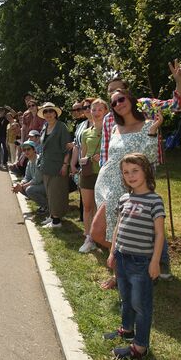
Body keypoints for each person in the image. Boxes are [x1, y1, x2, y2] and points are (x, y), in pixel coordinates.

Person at [92, 89, 163, 289]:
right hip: (105, 184)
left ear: (131, 100)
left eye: (121, 99)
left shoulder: (147, 125)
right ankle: (121, 272)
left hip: (125, 187)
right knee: (111, 233)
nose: (118, 104)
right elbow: (111, 156)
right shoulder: (115, 128)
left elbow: (149, 159)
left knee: (99, 232)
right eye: (113, 103)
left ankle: (133, 262)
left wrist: (152, 132)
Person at [104, 153, 165, 360]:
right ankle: (127, 329)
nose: (130, 176)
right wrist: (113, 252)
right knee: (125, 298)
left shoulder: (154, 200)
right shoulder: (124, 198)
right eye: (126, 172)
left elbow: (159, 233)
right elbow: (118, 227)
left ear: (146, 171)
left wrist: (155, 261)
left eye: (135, 170)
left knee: (141, 304)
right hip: (121, 257)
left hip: (141, 262)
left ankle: (140, 347)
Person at [77, 99, 107, 253]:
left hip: (104, 173)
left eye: (99, 110)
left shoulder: (111, 130)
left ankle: (100, 236)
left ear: (106, 111)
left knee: (101, 206)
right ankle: (88, 238)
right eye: (93, 110)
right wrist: (82, 161)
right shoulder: (85, 132)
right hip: (88, 173)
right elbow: (82, 154)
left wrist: (102, 157)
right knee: (88, 206)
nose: (95, 113)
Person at [38, 102, 71, 228]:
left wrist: (65, 165)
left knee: (57, 192)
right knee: (49, 192)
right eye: (45, 112)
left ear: (55, 113)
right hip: (46, 165)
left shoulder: (61, 127)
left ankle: (56, 221)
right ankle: (52, 215)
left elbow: (67, 148)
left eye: (51, 111)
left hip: (58, 165)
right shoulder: (45, 126)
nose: (48, 114)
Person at [12, 141, 47, 213]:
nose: (26, 151)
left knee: (29, 190)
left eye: (28, 149)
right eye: (24, 150)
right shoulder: (29, 161)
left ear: (34, 150)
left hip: (47, 185)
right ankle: (43, 204)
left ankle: (46, 206)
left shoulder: (39, 160)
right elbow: (27, 177)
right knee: (20, 187)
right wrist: (20, 184)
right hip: (39, 185)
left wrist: (22, 186)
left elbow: (37, 180)